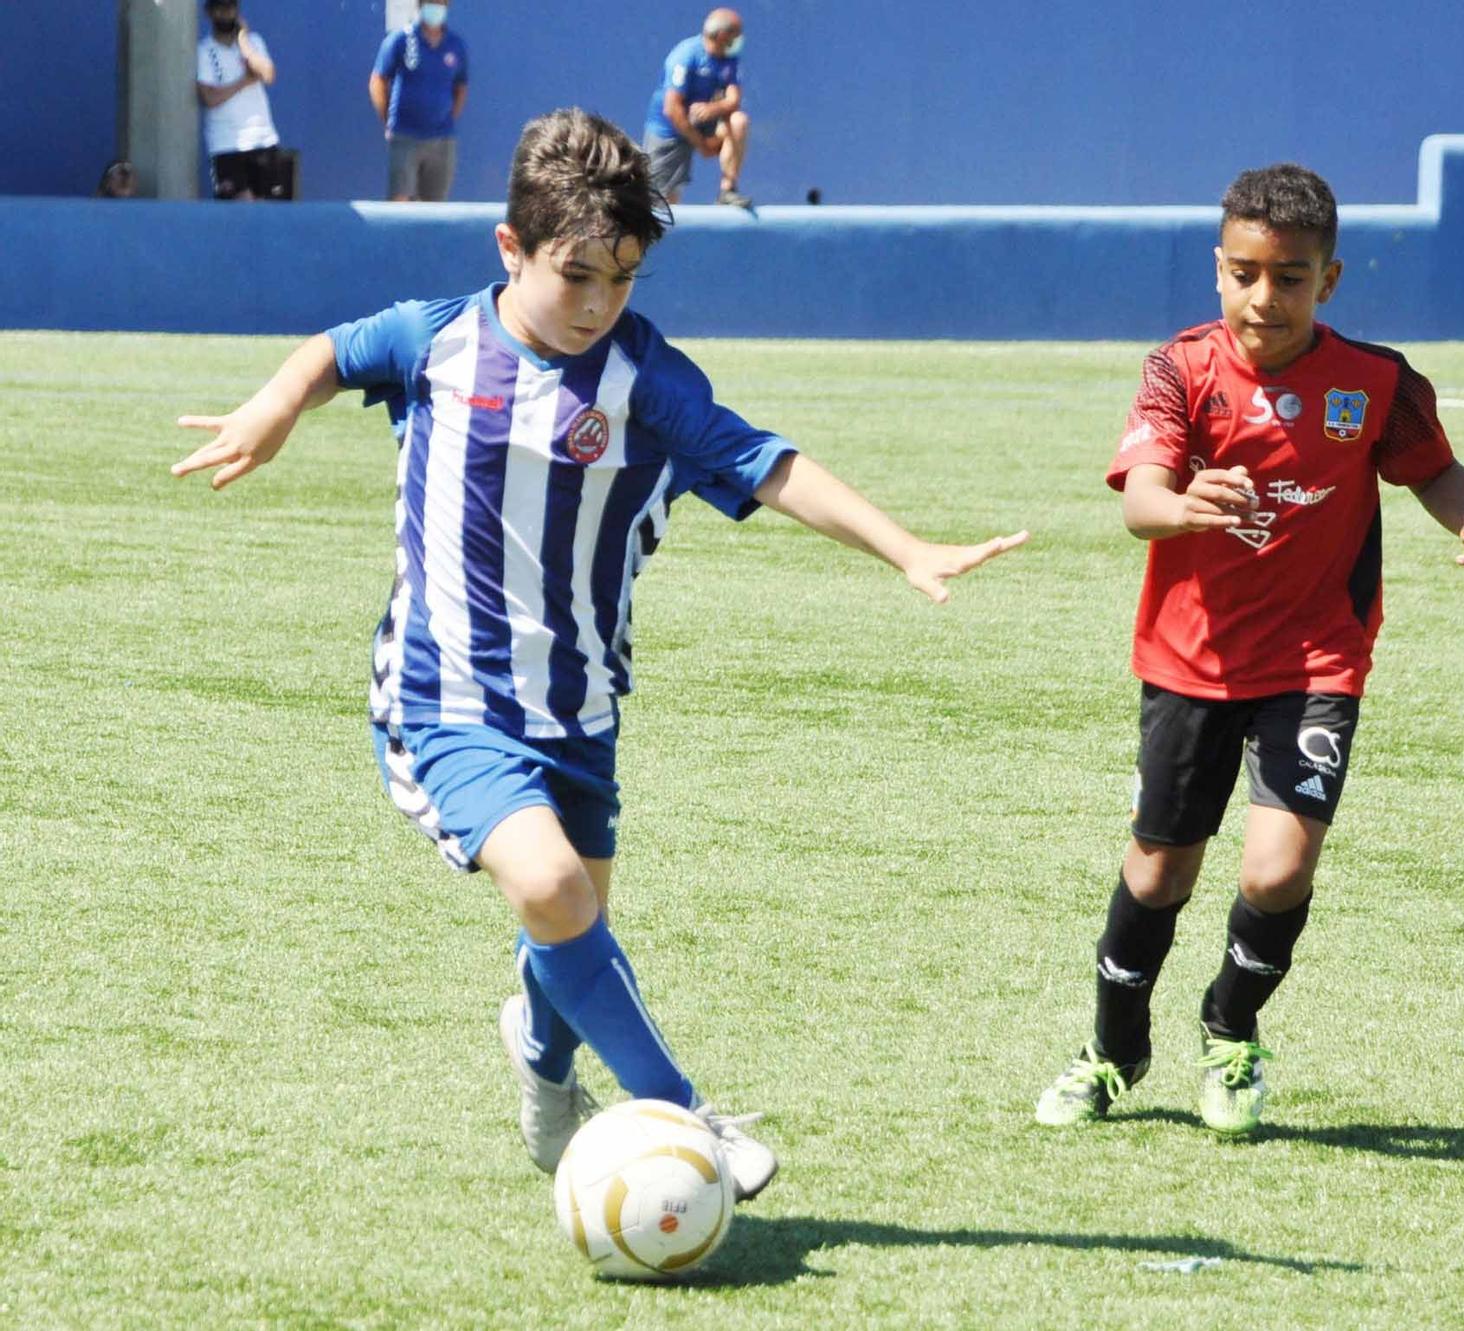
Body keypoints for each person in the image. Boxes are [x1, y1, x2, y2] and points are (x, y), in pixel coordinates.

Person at [171, 108, 1028, 1193]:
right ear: (510, 248)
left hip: (578, 711)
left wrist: (906, 548)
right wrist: (271, 406)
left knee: (573, 929)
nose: (595, 303)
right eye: (573, 274)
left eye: (620, 278)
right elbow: (333, 353)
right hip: (446, 697)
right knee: (554, 889)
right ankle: (682, 1112)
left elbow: (766, 465)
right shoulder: (437, 341)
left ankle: (540, 1062)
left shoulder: (644, 380)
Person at [1034, 164, 1464, 1135]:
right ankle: (1113, 1049)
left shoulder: (1374, 381)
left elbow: (1431, 468)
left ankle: (1230, 1026)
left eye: (1288, 276)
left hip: (1316, 658)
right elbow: (1138, 500)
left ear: (1326, 280)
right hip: (1188, 661)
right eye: (1246, 273)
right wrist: (1180, 506)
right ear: (1218, 270)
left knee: (1273, 869)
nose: (1265, 296)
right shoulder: (1179, 368)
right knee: (1158, 870)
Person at [642, 7, 753, 210]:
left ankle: (727, 190)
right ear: (721, 36)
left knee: (739, 121)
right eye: (736, 34)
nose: (740, 39)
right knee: (662, 201)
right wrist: (701, 144)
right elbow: (672, 109)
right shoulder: (685, 56)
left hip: (706, 122)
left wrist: (713, 109)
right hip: (670, 129)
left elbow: (733, 100)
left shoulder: (730, 59)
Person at [369, 0, 469, 202]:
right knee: (400, 201)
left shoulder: (456, 45)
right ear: (420, 6)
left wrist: (447, 116)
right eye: (430, 3)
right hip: (405, 136)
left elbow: (461, 86)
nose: (435, 8)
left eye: (440, 3)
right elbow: (377, 80)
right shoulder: (401, 40)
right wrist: (387, 118)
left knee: (435, 207)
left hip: (442, 140)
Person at [196, 0, 290, 201]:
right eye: (220, 9)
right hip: (226, 144)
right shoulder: (204, 50)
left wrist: (244, 42)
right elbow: (210, 98)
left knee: (268, 213)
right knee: (238, 213)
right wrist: (244, 81)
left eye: (230, 8)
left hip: (263, 139)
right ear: (209, 13)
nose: (225, 14)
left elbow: (268, 74)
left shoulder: (254, 42)